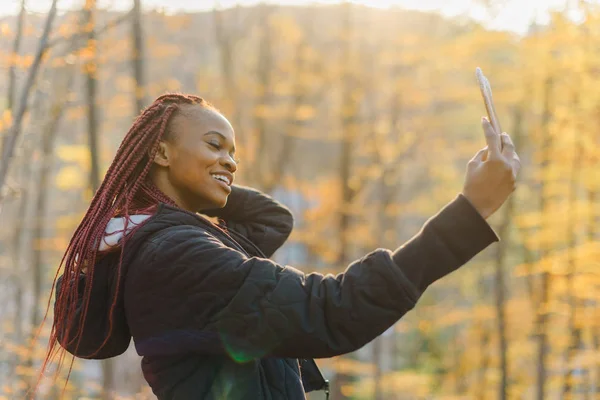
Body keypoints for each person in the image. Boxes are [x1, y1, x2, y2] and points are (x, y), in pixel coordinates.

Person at [45, 93, 519, 400]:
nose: (230, 162)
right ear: (161, 153)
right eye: (214, 145)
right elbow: (333, 312)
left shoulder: (175, 241)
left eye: (233, 153)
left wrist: (203, 184)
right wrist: (468, 213)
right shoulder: (179, 257)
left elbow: (272, 220)